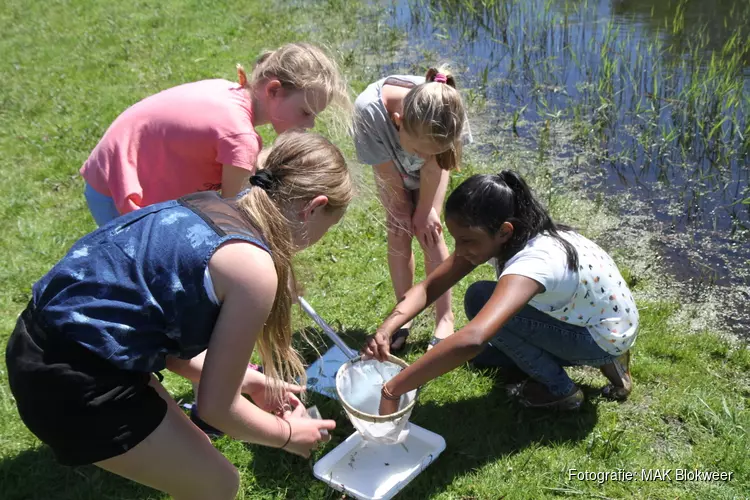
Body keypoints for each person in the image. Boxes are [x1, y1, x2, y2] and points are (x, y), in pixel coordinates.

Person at [6, 131, 353, 500]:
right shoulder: (254, 269)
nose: (319, 239)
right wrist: (287, 435)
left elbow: (160, 336)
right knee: (217, 485)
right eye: (326, 228)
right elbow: (218, 410)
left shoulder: (206, 206)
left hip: (40, 341)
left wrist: (251, 384)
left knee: (196, 458)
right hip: (75, 382)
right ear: (313, 208)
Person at [363, 171, 637, 413]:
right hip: (610, 323)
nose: (460, 250)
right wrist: (389, 327)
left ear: (505, 231)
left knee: (483, 309)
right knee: (482, 335)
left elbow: (473, 338)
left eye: (467, 240)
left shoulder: (534, 263)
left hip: (599, 337)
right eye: (456, 239)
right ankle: (612, 363)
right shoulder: (524, 231)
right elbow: (429, 287)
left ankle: (561, 391)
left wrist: (393, 388)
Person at [81, 42, 349, 226]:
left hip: (110, 168)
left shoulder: (229, 92)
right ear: (274, 90)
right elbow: (235, 214)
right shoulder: (239, 137)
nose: (310, 124)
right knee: (148, 269)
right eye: (305, 112)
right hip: (117, 189)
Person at [353, 66, 472, 352]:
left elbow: (434, 163)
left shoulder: (446, 108)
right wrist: (402, 210)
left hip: (436, 169)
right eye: (417, 150)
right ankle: (402, 315)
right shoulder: (369, 112)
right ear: (398, 121)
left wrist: (426, 210)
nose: (419, 156)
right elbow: (388, 177)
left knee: (430, 231)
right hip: (391, 169)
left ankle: (445, 317)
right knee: (398, 230)